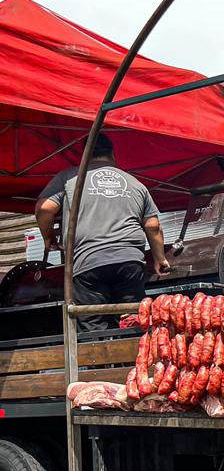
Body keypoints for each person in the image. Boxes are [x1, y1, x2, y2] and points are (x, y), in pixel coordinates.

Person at [35, 135, 169, 330]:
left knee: (92, 325)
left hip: (88, 263)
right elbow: (152, 225)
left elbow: (44, 209)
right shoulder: (135, 183)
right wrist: (159, 258)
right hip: (129, 262)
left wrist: (48, 238)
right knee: (131, 320)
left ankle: (99, 358)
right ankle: (132, 358)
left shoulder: (71, 177)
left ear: (86, 155)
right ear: (113, 155)